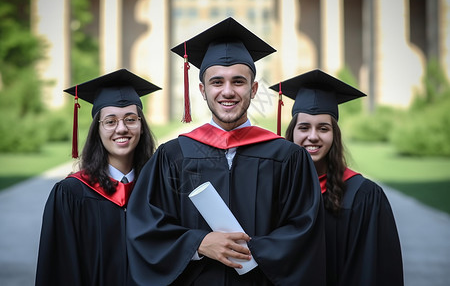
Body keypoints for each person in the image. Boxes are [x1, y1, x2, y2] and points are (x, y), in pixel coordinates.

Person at [126, 17, 326, 285]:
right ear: (202, 90)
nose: (228, 91)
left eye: (239, 82)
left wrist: (250, 251)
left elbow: (305, 229)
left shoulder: (288, 157)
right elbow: (146, 228)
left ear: (254, 89)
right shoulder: (172, 156)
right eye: (217, 82)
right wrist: (199, 243)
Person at [270, 69, 404, 286]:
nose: (312, 136)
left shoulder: (363, 196)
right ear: (292, 133)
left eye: (323, 128)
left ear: (334, 135)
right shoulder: (275, 188)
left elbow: (374, 270)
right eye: (304, 127)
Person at [35, 69, 161, 286]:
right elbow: (58, 270)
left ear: (141, 126)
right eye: (110, 122)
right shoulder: (71, 194)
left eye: (130, 119)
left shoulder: (158, 188)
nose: (121, 129)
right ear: (98, 129)